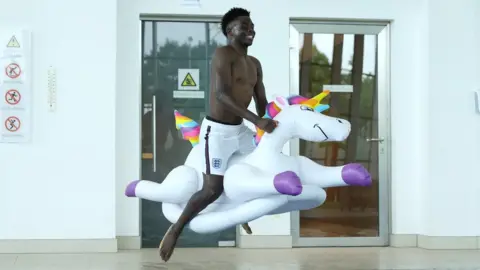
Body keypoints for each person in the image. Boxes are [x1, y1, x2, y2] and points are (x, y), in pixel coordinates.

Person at [158, 7, 278, 262]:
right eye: (245, 26)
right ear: (230, 32)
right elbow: (221, 96)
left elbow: (261, 99)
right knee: (213, 188)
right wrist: (257, 121)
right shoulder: (224, 55)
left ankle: (237, 214)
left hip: (241, 131)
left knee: (261, 171)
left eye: (252, 26)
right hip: (218, 132)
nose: (251, 30)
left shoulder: (255, 64)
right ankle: (176, 229)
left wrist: (271, 120)